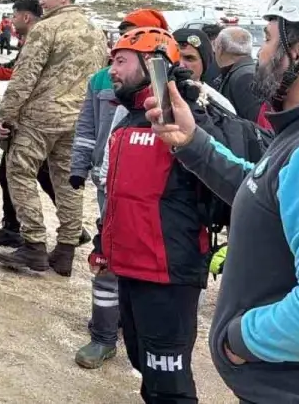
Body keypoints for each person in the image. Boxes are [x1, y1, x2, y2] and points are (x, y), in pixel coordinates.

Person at [149, 0, 299, 404]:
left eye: (268, 40)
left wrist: (239, 341)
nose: (260, 54)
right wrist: (192, 143)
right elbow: (263, 191)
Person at [99, 26, 224, 403]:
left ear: (153, 64)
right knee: (143, 364)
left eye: (121, 61)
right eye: (112, 61)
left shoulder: (187, 116)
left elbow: (226, 171)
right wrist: (101, 243)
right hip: (131, 267)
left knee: (169, 384)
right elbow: (119, 195)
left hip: (168, 274)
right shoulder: (129, 119)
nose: (112, 71)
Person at [70, 8, 169, 370]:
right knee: (108, 259)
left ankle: (131, 324)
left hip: (155, 198)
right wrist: (81, 167)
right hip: (109, 187)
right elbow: (88, 126)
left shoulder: (174, 96)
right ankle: (103, 335)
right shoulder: (103, 81)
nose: (116, 64)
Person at [0, 0, 108, 275]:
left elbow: (25, 75)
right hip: (78, 117)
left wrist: (6, 115)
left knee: (18, 171)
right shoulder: (96, 31)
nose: (41, 2)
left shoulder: (45, 29)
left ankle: (33, 243)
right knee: (68, 180)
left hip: (40, 117)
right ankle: (66, 249)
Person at [0, 0, 61, 248]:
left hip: (31, 117)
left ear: (26, 17)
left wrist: (7, 114)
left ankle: (18, 230)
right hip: (54, 116)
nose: (12, 21)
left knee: (11, 172)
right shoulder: (48, 34)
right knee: (42, 172)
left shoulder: (38, 38)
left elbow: (17, 73)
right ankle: (71, 225)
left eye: (15, 16)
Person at [214, 26, 262, 122]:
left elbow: (256, 123)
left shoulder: (245, 77)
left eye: (215, 46)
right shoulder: (239, 72)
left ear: (219, 48)